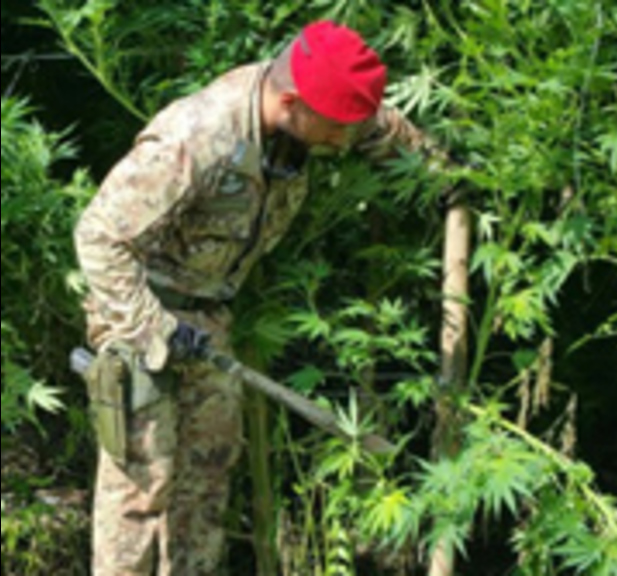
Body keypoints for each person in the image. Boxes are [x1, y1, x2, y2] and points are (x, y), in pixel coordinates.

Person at [74, 20, 435, 575]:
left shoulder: (312, 110)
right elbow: (99, 236)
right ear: (291, 103)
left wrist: (446, 175)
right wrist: (152, 329)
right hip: (138, 309)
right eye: (335, 128)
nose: (343, 142)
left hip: (208, 315)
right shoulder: (197, 138)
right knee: (141, 488)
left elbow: (373, 123)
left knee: (207, 474)